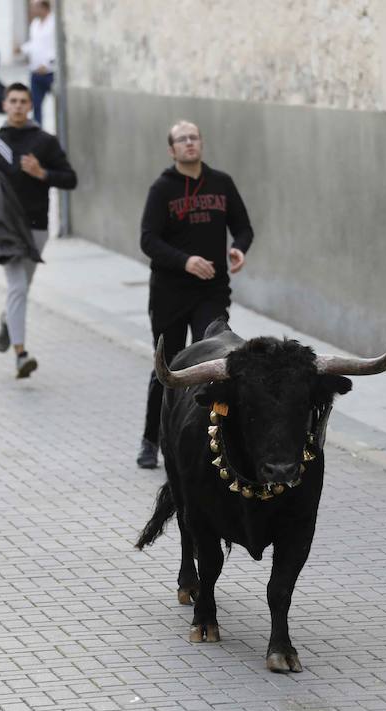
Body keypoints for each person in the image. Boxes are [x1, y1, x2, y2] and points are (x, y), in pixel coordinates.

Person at [135, 120, 252, 468]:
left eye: (194, 138)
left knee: (214, 359)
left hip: (211, 292)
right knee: (168, 367)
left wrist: (238, 249)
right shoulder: (162, 189)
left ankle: (218, 437)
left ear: (201, 143)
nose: (189, 144)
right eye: (182, 140)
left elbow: (243, 226)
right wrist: (185, 261)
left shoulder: (221, 183)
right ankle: (150, 439)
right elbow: (148, 240)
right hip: (170, 294)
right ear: (172, 150)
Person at [0, 82, 76, 379]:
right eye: (12, 101)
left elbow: (70, 179)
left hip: (36, 225)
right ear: (4, 105)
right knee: (17, 287)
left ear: (30, 105)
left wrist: (41, 173)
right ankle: (21, 354)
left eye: (23, 101)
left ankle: (8, 319)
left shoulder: (44, 141)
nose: (17, 106)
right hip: (4, 226)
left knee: (22, 288)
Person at [20, 0, 54, 126]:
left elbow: (57, 47)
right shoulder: (34, 24)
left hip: (51, 72)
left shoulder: (54, 23)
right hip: (35, 72)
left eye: (34, 7)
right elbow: (34, 44)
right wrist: (22, 49)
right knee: (35, 104)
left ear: (43, 7)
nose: (32, 10)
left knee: (57, 104)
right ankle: (37, 131)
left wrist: (48, 63)